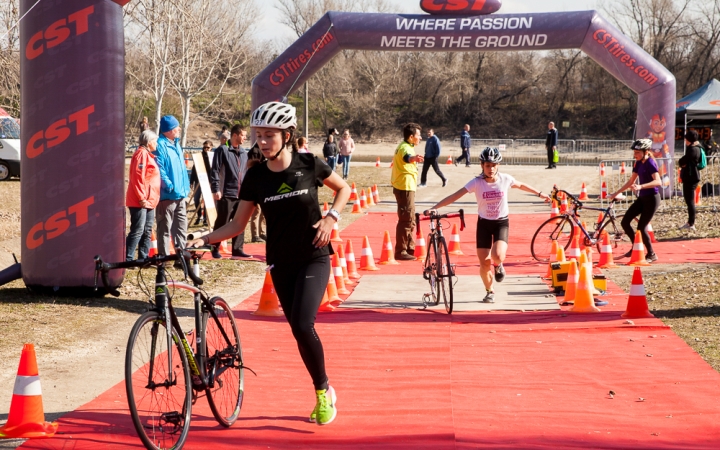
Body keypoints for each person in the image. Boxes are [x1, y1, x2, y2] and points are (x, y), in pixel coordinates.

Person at [189, 101, 351, 426]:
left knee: (304, 324)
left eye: (270, 135)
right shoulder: (256, 177)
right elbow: (236, 225)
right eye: (259, 135)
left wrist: (331, 218)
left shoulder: (308, 164)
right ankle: (323, 386)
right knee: (297, 330)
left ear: (287, 135)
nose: (263, 142)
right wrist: (204, 239)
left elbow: (344, 188)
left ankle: (323, 392)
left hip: (314, 256)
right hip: (280, 262)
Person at [426, 147, 550, 303]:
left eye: (493, 165)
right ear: (482, 166)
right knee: (484, 263)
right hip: (484, 224)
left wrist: (540, 194)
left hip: (501, 223)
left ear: (498, 165)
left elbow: (521, 185)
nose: (491, 169)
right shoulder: (476, 182)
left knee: (497, 256)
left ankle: (498, 265)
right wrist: (434, 208)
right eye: (487, 165)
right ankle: (489, 291)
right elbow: (455, 195)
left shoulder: (505, 179)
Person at [608, 139, 661, 262]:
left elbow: (658, 182)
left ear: (646, 151)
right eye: (634, 152)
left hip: (652, 199)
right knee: (625, 222)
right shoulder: (638, 163)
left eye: (637, 152)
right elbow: (631, 181)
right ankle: (636, 246)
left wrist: (641, 186)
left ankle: (651, 254)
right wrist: (616, 193)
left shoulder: (650, 163)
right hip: (642, 198)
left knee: (641, 228)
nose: (635, 155)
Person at [209, 125, 250, 259]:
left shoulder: (244, 153)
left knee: (240, 222)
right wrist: (216, 189)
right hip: (226, 193)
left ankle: (238, 250)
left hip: (241, 194)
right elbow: (215, 170)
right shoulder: (222, 150)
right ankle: (214, 247)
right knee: (222, 222)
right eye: (243, 135)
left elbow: (246, 173)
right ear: (235, 135)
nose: (245, 137)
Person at [153, 115, 190, 261]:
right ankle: (164, 259)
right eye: (176, 127)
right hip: (167, 195)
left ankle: (180, 257)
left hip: (180, 194)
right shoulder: (160, 145)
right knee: (165, 228)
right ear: (168, 130)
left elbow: (181, 168)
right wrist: (168, 185)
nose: (179, 129)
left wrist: (185, 186)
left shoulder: (176, 144)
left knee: (181, 227)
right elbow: (159, 168)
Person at [391, 123, 425, 261]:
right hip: (404, 187)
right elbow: (407, 158)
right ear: (411, 137)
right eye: (418, 135)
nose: (420, 138)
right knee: (406, 219)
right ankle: (401, 250)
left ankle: (410, 247)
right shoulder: (406, 148)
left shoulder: (405, 146)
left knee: (410, 219)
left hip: (406, 186)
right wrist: (414, 158)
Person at [125, 130, 161, 261]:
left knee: (147, 230)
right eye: (155, 141)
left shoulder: (148, 155)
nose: (157, 144)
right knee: (138, 230)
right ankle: (127, 258)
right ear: (149, 142)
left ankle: (143, 258)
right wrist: (141, 198)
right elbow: (137, 178)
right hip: (140, 201)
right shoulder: (141, 154)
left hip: (149, 200)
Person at [678, 129, 702, 231]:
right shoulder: (697, 148)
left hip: (691, 177)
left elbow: (683, 160)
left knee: (690, 201)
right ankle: (690, 222)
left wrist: (682, 162)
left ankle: (691, 223)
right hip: (691, 176)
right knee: (689, 200)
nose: (684, 141)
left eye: (686, 139)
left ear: (688, 139)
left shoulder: (693, 149)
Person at [247, 142, 267, 242]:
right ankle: (255, 235)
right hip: (256, 185)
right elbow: (253, 169)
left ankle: (262, 233)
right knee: (257, 211)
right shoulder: (255, 152)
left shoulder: (265, 151)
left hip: (264, 184)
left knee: (263, 211)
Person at [190, 140, 213, 226]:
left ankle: (205, 219)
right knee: (196, 199)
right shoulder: (199, 156)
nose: (206, 149)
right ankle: (199, 216)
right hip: (198, 180)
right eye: (204, 147)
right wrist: (191, 181)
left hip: (208, 181)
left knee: (207, 200)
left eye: (207, 147)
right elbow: (194, 169)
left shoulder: (212, 158)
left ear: (211, 148)